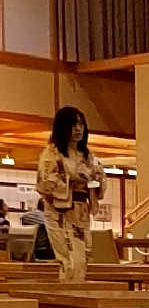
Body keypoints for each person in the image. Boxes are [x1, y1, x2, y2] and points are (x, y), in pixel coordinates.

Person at [36, 107, 105, 281]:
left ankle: (79, 297)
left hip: (81, 212)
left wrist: (96, 178)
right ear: (62, 127)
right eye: (73, 124)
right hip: (59, 213)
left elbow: (99, 185)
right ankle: (67, 300)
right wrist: (72, 178)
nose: (78, 128)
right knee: (68, 260)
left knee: (83, 259)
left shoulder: (88, 156)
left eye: (81, 124)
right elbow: (45, 184)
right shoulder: (51, 154)